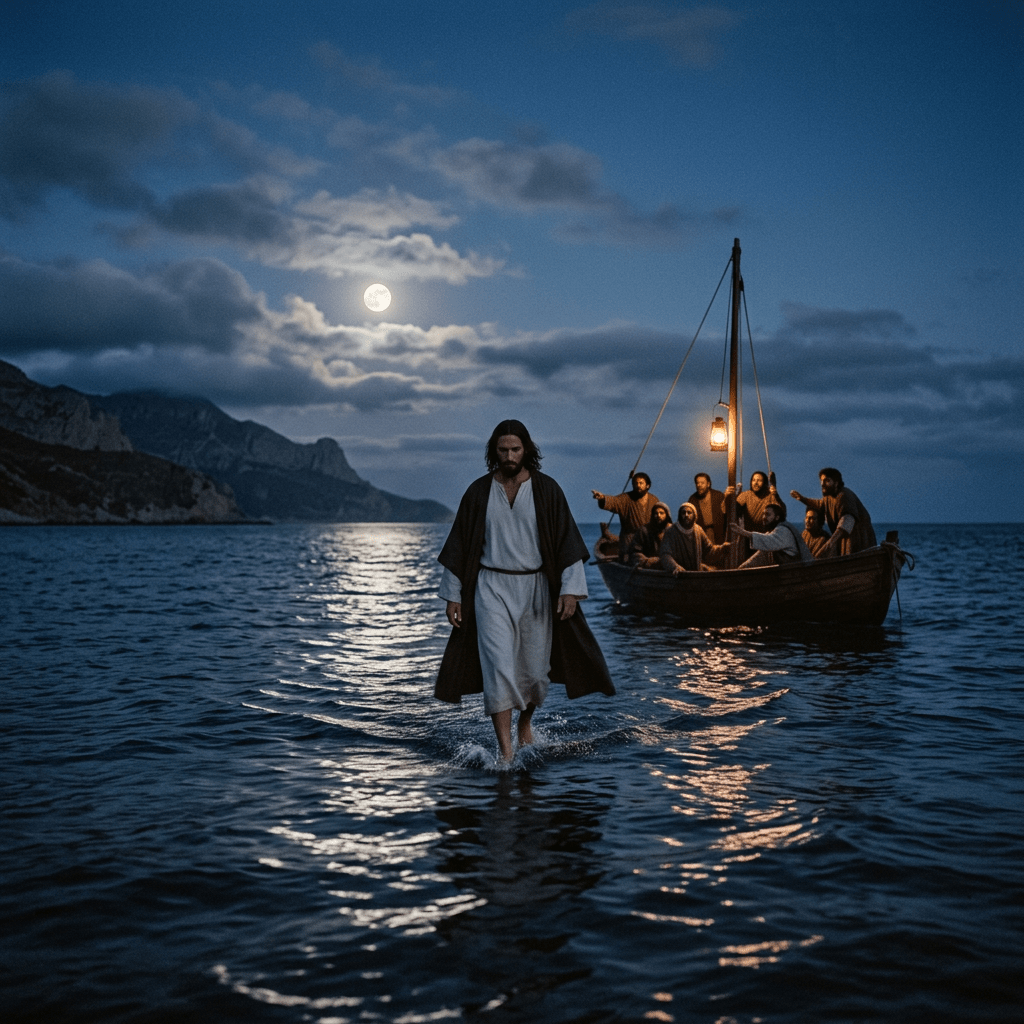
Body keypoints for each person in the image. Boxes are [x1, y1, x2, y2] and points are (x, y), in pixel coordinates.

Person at [436, 420, 614, 762]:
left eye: (515, 449)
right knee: (498, 668)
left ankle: (525, 724)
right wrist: (454, 595)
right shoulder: (478, 492)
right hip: (491, 588)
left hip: (536, 588)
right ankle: (505, 752)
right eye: (502, 450)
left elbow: (567, 542)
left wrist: (571, 590)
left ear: (526, 450)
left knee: (535, 673)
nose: (509, 456)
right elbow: (459, 544)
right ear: (494, 452)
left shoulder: (547, 490)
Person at [790, 468, 876, 556]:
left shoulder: (844, 496)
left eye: (827, 481)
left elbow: (847, 520)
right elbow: (819, 504)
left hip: (859, 543)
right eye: (821, 481)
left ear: (836, 483)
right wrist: (802, 498)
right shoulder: (829, 497)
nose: (822, 484)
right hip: (845, 541)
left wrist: (831, 541)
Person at [591, 472, 660, 562]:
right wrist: (602, 498)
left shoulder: (654, 500)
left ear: (648, 485)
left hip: (648, 541)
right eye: (635, 483)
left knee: (652, 560)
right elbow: (614, 502)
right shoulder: (626, 498)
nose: (638, 485)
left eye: (641, 483)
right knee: (628, 561)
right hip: (629, 541)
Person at [722, 471, 786, 562]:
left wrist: (776, 495)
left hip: (766, 538)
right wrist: (728, 497)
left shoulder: (770, 496)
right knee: (747, 564)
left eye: (759, 480)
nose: (755, 483)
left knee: (765, 563)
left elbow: (783, 513)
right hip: (748, 539)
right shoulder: (745, 495)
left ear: (765, 483)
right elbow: (730, 511)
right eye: (753, 480)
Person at [730, 502, 813, 568]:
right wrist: (742, 568)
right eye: (763, 514)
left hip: (791, 573)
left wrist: (742, 532)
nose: (764, 517)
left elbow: (768, 541)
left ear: (777, 517)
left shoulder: (783, 531)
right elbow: (762, 549)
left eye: (768, 514)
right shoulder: (773, 532)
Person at [659, 502, 729, 574]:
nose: (686, 515)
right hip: (679, 576)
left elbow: (709, 551)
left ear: (694, 515)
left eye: (689, 512)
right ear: (680, 515)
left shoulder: (698, 530)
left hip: (695, 574)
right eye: (683, 513)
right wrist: (675, 567)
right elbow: (665, 554)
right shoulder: (671, 531)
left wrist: (723, 548)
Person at [627, 501, 673, 568]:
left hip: (670, 566)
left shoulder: (673, 530)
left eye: (661, 513)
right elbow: (634, 552)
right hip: (650, 567)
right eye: (656, 513)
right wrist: (648, 561)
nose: (658, 516)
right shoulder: (644, 530)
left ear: (667, 515)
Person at [688, 472, 726, 545]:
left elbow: (727, 513)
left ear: (708, 484)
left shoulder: (718, 496)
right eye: (697, 483)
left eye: (702, 483)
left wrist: (728, 497)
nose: (699, 485)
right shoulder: (692, 500)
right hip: (702, 537)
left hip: (719, 535)